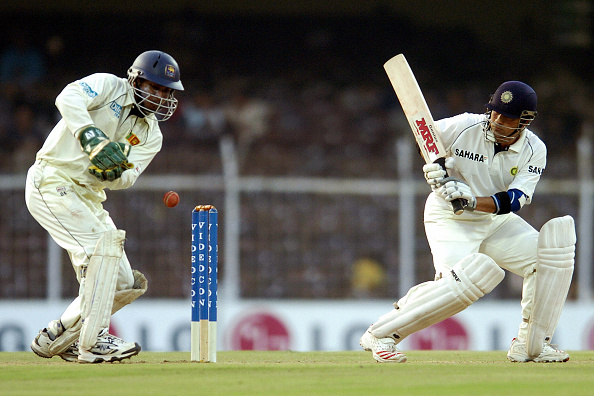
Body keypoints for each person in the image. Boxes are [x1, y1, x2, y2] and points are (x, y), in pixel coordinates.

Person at [360, 81, 576, 363]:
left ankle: (530, 345)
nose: (497, 120)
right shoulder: (465, 125)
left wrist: (473, 200)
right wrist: (435, 165)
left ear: (525, 121)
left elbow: (514, 200)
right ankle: (381, 333)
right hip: (450, 217)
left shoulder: (535, 150)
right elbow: (424, 135)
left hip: (495, 220)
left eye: (507, 116)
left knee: (548, 261)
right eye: (495, 112)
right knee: (459, 285)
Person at [25, 50, 184, 363]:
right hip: (53, 180)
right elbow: (67, 98)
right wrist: (91, 137)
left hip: (89, 197)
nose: (161, 97)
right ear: (136, 79)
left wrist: (114, 172)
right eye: (156, 88)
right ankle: (93, 340)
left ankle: (59, 336)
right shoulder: (108, 86)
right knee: (101, 253)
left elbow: (128, 176)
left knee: (124, 282)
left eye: (167, 91)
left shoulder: (151, 134)